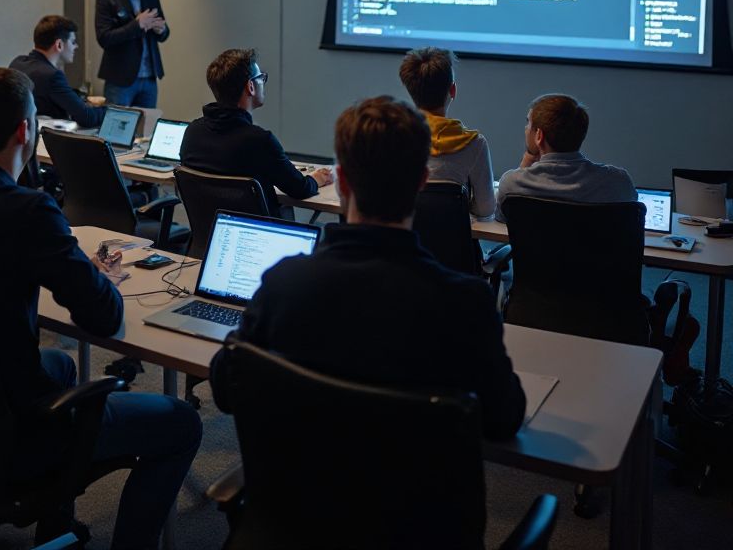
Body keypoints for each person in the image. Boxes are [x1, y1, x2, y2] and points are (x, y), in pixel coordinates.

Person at [0, 67, 200, 550]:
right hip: (6, 424)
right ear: (26, 129)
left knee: (58, 362)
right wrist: (93, 277)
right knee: (181, 423)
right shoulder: (29, 210)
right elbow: (104, 318)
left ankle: (55, 529)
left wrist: (72, 268)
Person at [211, 95, 526, 441]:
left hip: (301, 492)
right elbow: (504, 420)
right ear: (421, 181)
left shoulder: (283, 283)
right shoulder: (467, 303)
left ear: (342, 181)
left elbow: (226, 387)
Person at [181, 48, 332, 219]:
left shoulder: (192, 132)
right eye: (261, 78)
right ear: (250, 87)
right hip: (257, 239)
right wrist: (317, 179)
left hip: (208, 239)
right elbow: (300, 188)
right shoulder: (259, 141)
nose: (263, 82)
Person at [496, 93, 637, 221]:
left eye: (528, 123)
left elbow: (503, 219)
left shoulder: (512, 185)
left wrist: (529, 155)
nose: (526, 129)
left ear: (539, 136)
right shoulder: (618, 182)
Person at [399, 47, 495, 219]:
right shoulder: (475, 144)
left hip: (404, 244)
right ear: (453, 90)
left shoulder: (393, 137)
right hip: (454, 245)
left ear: (410, 90)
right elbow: (485, 209)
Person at [95, 0, 168, 108]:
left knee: (147, 130)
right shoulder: (106, 0)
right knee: (117, 129)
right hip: (120, 79)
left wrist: (161, 30)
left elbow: (164, 33)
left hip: (149, 76)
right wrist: (137, 25)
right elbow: (104, 38)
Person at [10, 15, 106, 127]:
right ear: (59, 45)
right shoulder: (52, 76)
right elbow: (88, 117)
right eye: (73, 42)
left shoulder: (17, 62)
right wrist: (112, 111)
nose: (76, 46)